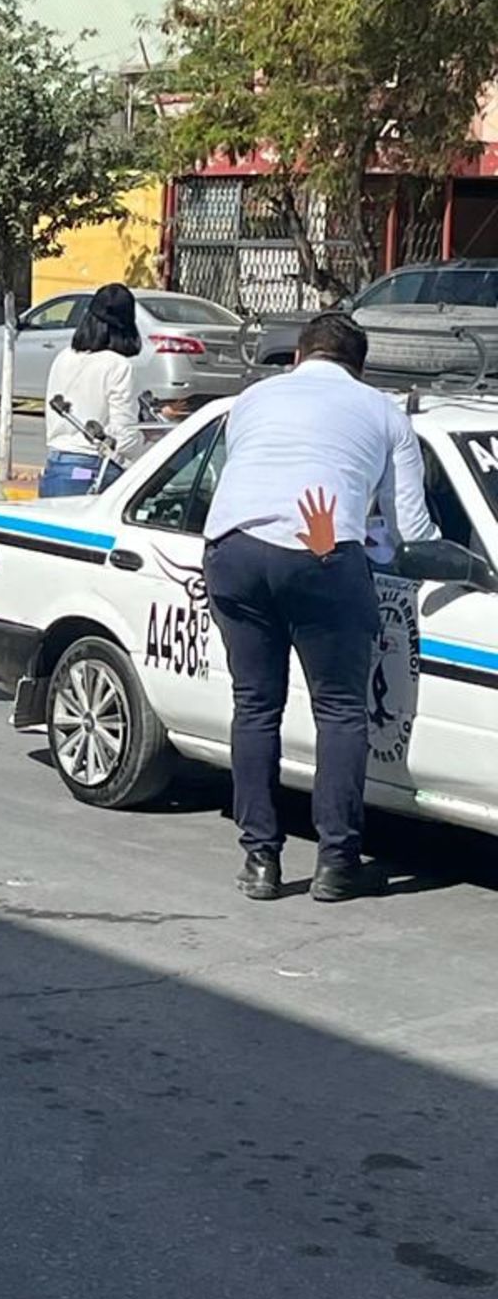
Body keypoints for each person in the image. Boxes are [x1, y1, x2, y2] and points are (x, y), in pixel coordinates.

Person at [202, 312, 437, 904]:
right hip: (321, 550)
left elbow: (248, 473)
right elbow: (411, 530)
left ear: (299, 356)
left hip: (232, 549)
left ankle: (260, 860)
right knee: (340, 710)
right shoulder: (385, 413)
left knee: (255, 705)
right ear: (360, 367)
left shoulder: (252, 399)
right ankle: (337, 863)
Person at [40, 282, 145, 497]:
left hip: (56, 465)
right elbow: (124, 437)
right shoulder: (119, 366)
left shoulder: (63, 357)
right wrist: (146, 439)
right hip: (93, 469)